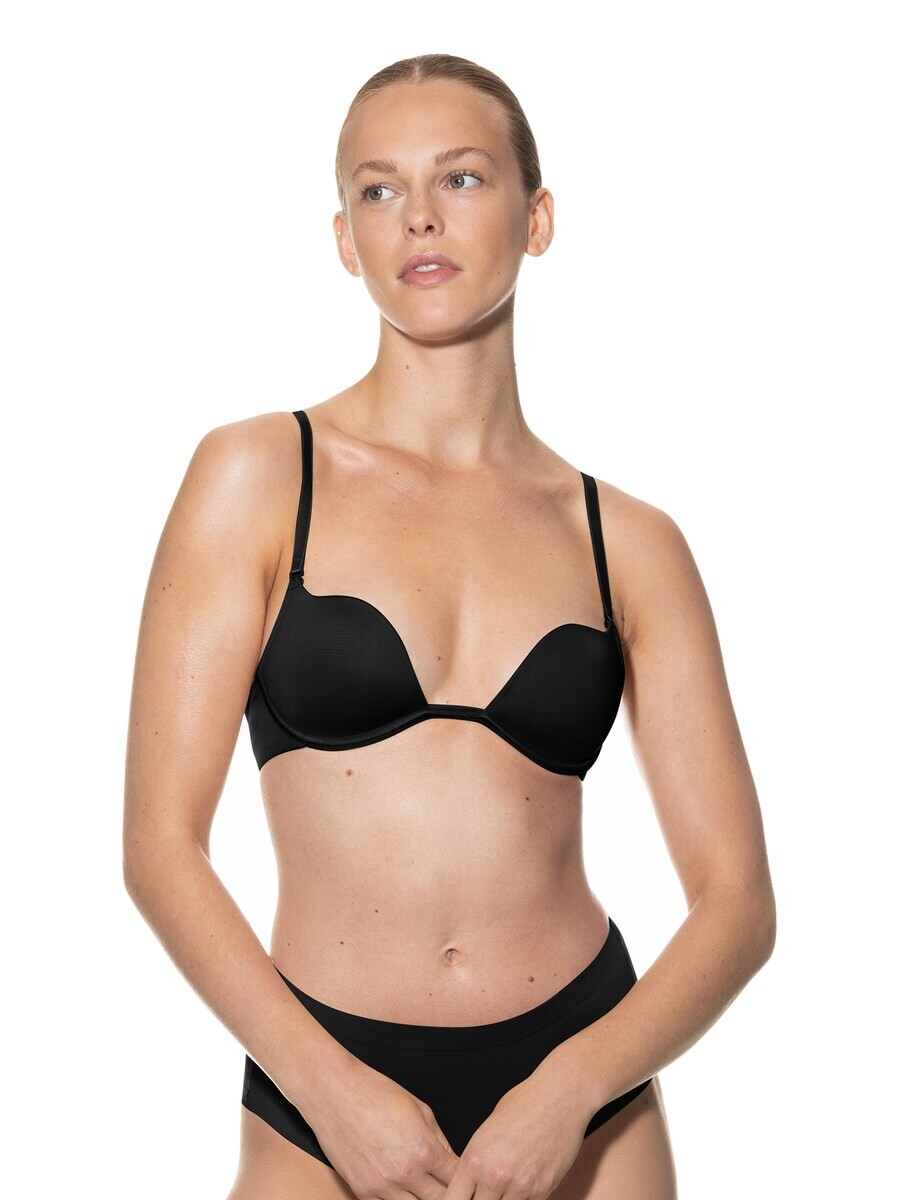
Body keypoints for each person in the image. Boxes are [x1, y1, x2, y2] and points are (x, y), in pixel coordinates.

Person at [123, 53, 776, 1200]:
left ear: (538, 218)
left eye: (462, 178)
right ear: (345, 239)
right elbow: (159, 849)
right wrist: (330, 1093)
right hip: (325, 1080)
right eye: (379, 189)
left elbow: (737, 904)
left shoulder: (627, 541)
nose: (418, 215)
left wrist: (571, 1089)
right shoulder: (259, 478)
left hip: (585, 1086)